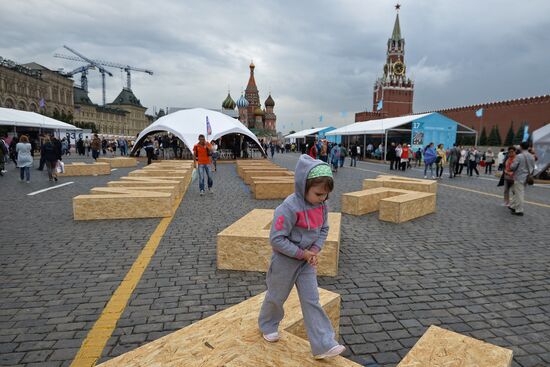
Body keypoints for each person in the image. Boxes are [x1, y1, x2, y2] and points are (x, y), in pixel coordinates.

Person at [258, 155, 345, 359]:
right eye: (318, 194)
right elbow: (276, 239)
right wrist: (301, 253)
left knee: (312, 300)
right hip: (284, 262)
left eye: (326, 195)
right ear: (302, 185)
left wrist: (314, 250)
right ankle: (267, 324)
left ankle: (323, 344)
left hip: (307, 262)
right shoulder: (288, 208)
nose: (322, 198)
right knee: (276, 296)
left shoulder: (322, 206)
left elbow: (324, 229)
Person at [509, 142, 535, 216]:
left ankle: (519, 210)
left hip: (519, 177)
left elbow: (513, 167)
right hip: (527, 177)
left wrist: (511, 166)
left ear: (521, 147)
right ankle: (513, 206)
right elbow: (533, 167)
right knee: (516, 191)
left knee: (519, 194)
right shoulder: (531, 156)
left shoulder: (519, 156)